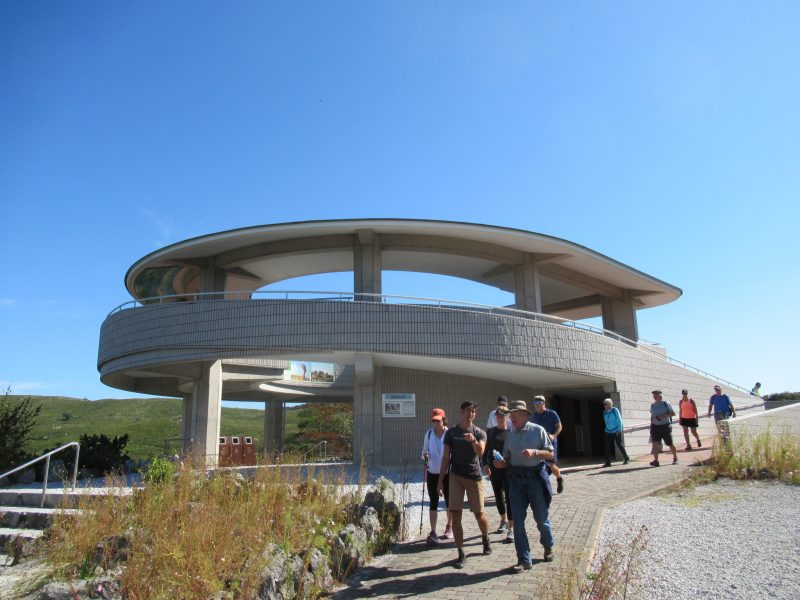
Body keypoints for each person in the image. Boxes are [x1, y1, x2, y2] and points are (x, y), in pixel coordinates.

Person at [494, 399, 555, 573]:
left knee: (541, 518)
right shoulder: (511, 434)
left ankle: (548, 545)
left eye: (514, 414)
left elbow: (550, 454)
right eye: (510, 414)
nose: (511, 417)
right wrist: (501, 463)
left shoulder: (538, 431)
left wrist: (535, 452)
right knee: (518, 523)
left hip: (535, 479)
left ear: (524, 415)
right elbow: (507, 458)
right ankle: (524, 559)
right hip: (515, 481)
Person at [437, 401, 491, 569]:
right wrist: (440, 481)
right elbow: (446, 457)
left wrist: (473, 440)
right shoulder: (451, 432)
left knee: (479, 514)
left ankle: (485, 537)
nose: (471, 414)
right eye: (468, 411)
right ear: (461, 411)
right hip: (455, 476)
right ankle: (461, 552)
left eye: (473, 411)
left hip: (474, 476)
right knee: (455, 513)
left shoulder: (480, 433)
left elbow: (480, 452)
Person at [421, 408, 453, 545]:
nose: (436, 423)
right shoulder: (428, 434)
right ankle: (433, 531)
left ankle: (449, 526)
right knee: (433, 501)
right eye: (434, 420)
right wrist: (425, 456)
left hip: (447, 473)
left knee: (449, 501)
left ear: (443, 419)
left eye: (438, 420)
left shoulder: (449, 433)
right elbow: (423, 452)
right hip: (432, 472)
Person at [482, 406, 513, 543]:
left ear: (507, 417)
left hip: (508, 470)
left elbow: (515, 451)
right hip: (495, 470)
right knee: (498, 496)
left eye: (502, 416)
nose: (500, 418)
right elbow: (486, 449)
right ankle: (503, 520)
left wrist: (508, 463)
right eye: (498, 416)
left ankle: (512, 528)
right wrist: (485, 464)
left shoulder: (512, 431)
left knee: (510, 497)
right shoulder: (491, 432)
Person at [530, 395, 564, 494]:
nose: (536, 405)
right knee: (540, 465)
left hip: (551, 443)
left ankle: (559, 478)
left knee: (552, 465)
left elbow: (559, 426)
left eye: (538, 403)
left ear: (543, 403)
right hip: (539, 444)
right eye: (534, 403)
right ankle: (543, 486)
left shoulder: (551, 413)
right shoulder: (534, 416)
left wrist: (554, 435)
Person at [649, 390, 678, 467]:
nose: (655, 396)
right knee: (655, 444)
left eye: (656, 395)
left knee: (670, 443)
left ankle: (675, 458)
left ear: (660, 396)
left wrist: (662, 416)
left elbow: (673, 413)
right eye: (654, 395)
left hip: (665, 426)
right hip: (655, 427)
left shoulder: (666, 403)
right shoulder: (653, 405)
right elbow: (652, 416)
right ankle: (656, 461)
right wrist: (651, 425)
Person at [602, 398, 630, 467]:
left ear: (609, 404)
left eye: (605, 404)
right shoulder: (604, 411)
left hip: (616, 431)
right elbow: (606, 421)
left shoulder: (615, 410)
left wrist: (619, 429)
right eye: (604, 404)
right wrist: (607, 429)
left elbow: (620, 420)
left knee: (619, 445)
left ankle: (626, 458)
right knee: (607, 447)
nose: (604, 405)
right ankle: (608, 462)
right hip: (608, 431)